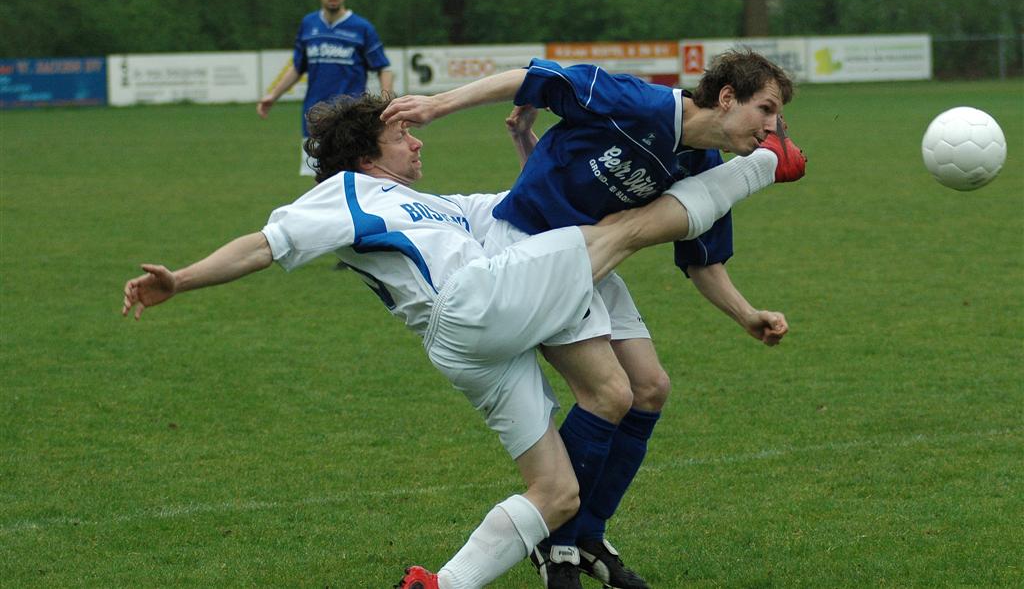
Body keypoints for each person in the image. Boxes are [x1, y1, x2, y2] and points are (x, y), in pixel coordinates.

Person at [123, 94, 802, 589]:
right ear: (366, 155)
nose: (418, 144)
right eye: (402, 137)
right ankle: (765, 165)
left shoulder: (440, 206)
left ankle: (439, 584)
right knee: (623, 234)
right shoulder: (346, 193)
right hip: (474, 307)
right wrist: (180, 280)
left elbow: (530, 205)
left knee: (556, 493)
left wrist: (534, 143)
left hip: (472, 346)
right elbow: (263, 244)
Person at [382, 50, 801, 589]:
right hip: (531, 248)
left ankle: (586, 535)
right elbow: (535, 78)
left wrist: (747, 314)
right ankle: (556, 541)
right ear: (726, 98)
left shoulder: (701, 165)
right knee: (608, 395)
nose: (773, 127)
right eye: (766, 108)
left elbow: (703, 261)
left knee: (650, 388)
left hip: (593, 261)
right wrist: (437, 105)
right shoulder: (639, 103)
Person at [257, 0, 394, 177]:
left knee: (354, 177)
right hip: (315, 118)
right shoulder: (308, 25)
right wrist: (273, 95)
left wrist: (387, 104)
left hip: (351, 119)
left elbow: (383, 68)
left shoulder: (362, 28)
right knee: (320, 180)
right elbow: (298, 67)